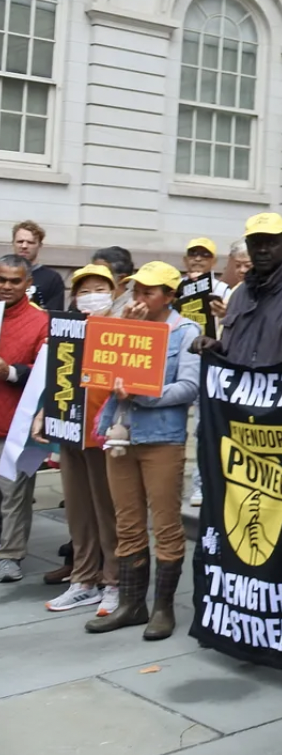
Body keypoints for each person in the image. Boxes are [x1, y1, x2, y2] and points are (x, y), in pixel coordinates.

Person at [85, 261, 200, 639]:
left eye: (149, 292)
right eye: (136, 290)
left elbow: (189, 387)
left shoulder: (185, 331)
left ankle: (163, 608)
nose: (139, 298)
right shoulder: (124, 324)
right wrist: (127, 329)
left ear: (169, 296)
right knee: (128, 523)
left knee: (166, 525)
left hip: (162, 438)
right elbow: (101, 367)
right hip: (121, 434)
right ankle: (131, 604)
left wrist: (143, 393)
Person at [39, 265, 123, 615]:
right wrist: (42, 415)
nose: (92, 296)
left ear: (113, 293)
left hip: (104, 436)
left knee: (109, 512)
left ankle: (113, 582)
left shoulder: (123, 330)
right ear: (74, 297)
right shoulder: (65, 331)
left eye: (99, 289)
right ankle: (83, 580)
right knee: (78, 512)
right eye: (84, 290)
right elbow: (50, 380)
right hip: (69, 431)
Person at [194, 213, 282, 367]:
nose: (262, 250)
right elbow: (234, 352)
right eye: (256, 243)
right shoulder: (239, 293)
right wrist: (216, 348)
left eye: (271, 243)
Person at [0, 255, 53, 584]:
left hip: (16, 424)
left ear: (28, 284)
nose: (6, 286)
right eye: (2, 279)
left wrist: (10, 372)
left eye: (14, 281)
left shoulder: (40, 321)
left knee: (14, 494)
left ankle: (10, 555)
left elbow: (47, 371)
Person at [11, 221, 64, 309]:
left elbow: (54, 313)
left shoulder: (52, 278)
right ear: (13, 243)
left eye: (30, 242)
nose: (24, 246)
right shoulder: (2, 273)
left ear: (40, 245)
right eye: (20, 241)